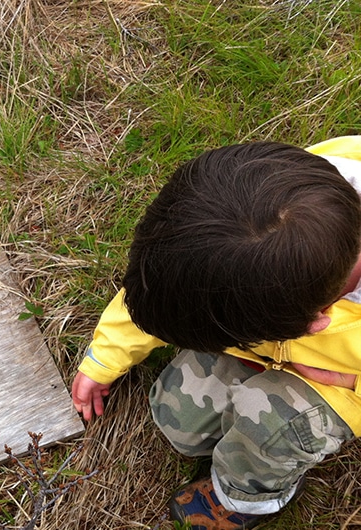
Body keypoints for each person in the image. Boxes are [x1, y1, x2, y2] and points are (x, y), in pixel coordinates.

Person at [72, 137, 361, 529]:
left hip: (337, 381)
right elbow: (170, 287)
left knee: (273, 427)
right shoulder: (281, 195)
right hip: (277, 336)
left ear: (314, 322)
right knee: (180, 423)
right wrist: (105, 357)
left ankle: (249, 498)